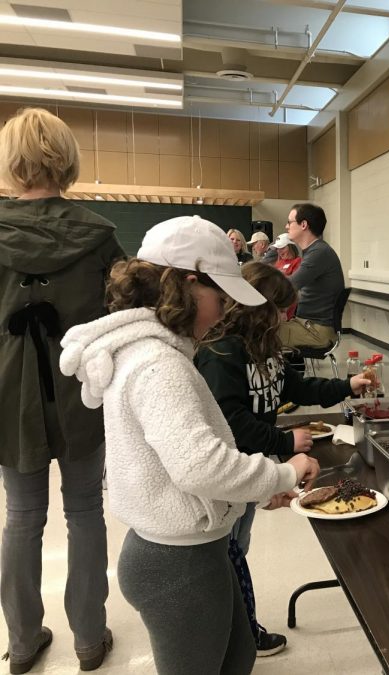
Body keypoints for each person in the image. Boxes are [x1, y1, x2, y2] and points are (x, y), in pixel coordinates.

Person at [59, 216, 320, 675]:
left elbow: (181, 461)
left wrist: (257, 490)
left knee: (237, 656)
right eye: (219, 298)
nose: (222, 313)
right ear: (186, 283)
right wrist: (285, 472)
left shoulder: (151, 352)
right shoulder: (159, 365)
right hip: (176, 566)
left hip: (190, 552)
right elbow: (198, 466)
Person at [0, 107, 123, 673]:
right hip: (82, 388)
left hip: (8, 393)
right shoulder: (99, 236)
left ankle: (22, 644)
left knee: (22, 518)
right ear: (66, 159)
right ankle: (89, 639)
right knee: (85, 511)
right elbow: (127, 312)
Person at [195, 262, 370, 657]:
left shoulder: (266, 349)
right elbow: (232, 422)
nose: (286, 320)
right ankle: (241, 634)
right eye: (282, 311)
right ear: (258, 308)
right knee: (228, 557)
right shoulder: (221, 353)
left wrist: (346, 386)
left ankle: (237, 629)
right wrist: (285, 440)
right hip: (230, 473)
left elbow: (299, 386)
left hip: (254, 471)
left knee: (238, 547)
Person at [279, 203, 345, 349]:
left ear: (303, 225)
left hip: (316, 331)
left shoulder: (318, 253)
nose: (286, 226)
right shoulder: (316, 250)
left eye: (290, 222)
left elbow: (288, 286)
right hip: (309, 325)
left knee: (258, 332)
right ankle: (287, 371)